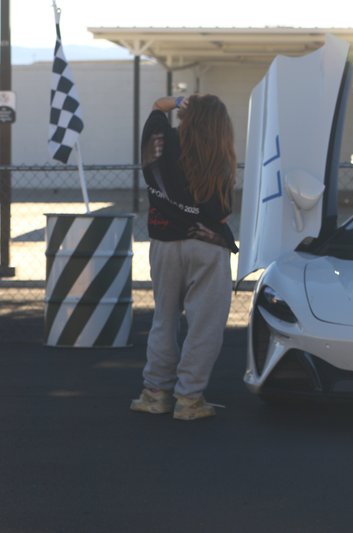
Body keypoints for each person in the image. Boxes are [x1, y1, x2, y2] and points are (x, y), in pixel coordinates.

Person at [130, 94, 238, 421]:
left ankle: (155, 394)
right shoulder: (220, 154)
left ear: (187, 117)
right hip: (207, 244)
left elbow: (157, 107)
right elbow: (221, 213)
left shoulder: (160, 142)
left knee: (164, 318)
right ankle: (189, 399)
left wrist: (177, 101)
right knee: (204, 324)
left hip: (164, 242)